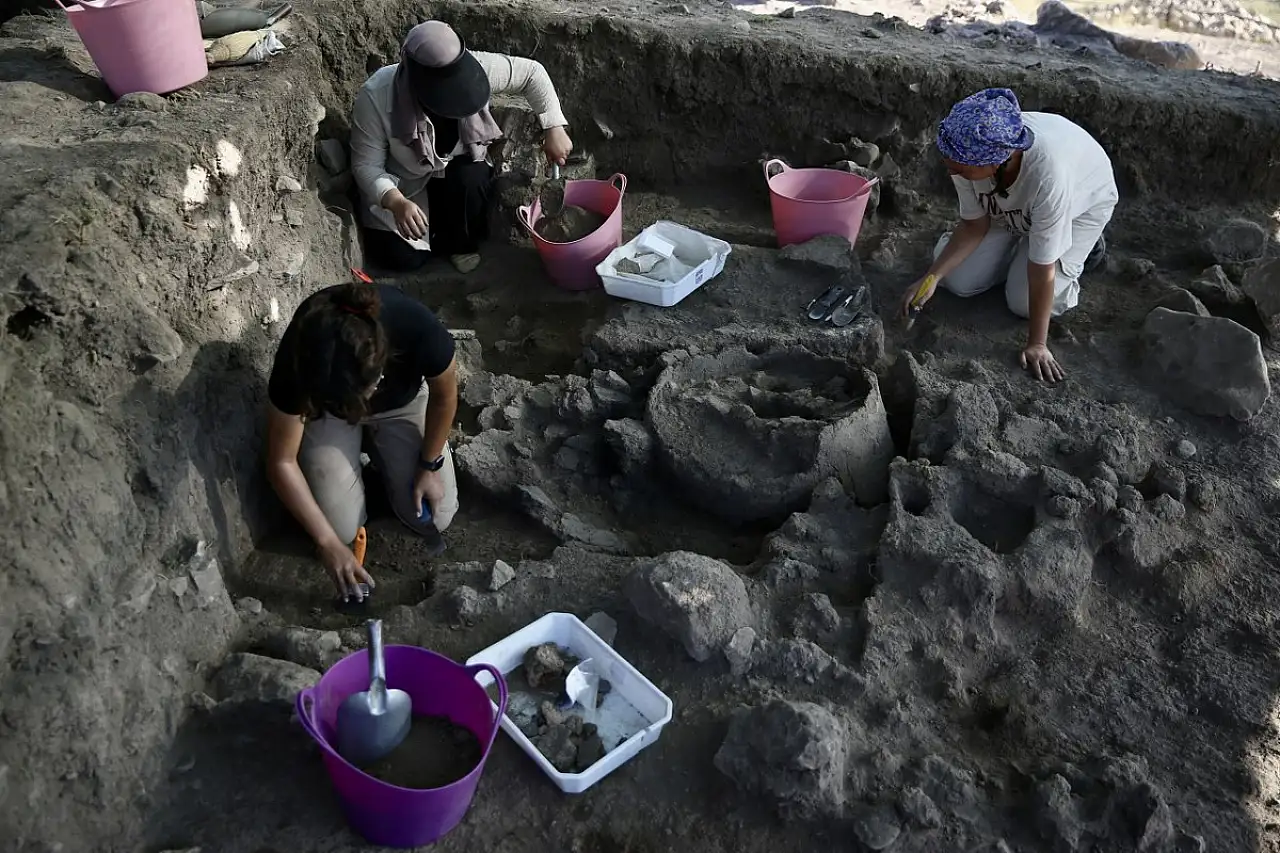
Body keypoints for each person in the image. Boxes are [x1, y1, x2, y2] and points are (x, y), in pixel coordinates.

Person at [900, 88, 1118, 383]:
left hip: (1078, 206)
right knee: (958, 280)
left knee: (1023, 303)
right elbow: (974, 226)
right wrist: (932, 277)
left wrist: (1037, 343)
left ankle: (1078, 250)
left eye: (959, 167)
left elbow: (1041, 271)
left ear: (995, 161)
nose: (950, 170)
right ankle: (1023, 245)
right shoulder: (965, 152)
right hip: (1011, 206)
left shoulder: (1048, 176)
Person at [265, 281, 459, 601]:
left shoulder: (414, 324)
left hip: (401, 403)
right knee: (340, 530)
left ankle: (386, 465)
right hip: (329, 416)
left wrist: (429, 464)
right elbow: (281, 461)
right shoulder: (302, 355)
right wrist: (327, 542)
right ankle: (360, 472)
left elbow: (446, 395)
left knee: (438, 516)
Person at [350, 20, 574, 274]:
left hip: (456, 174)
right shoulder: (376, 96)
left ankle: (458, 242)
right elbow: (365, 164)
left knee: (471, 179)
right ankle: (432, 233)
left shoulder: (477, 68)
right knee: (404, 259)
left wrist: (554, 126)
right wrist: (396, 202)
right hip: (405, 184)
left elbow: (533, 73)